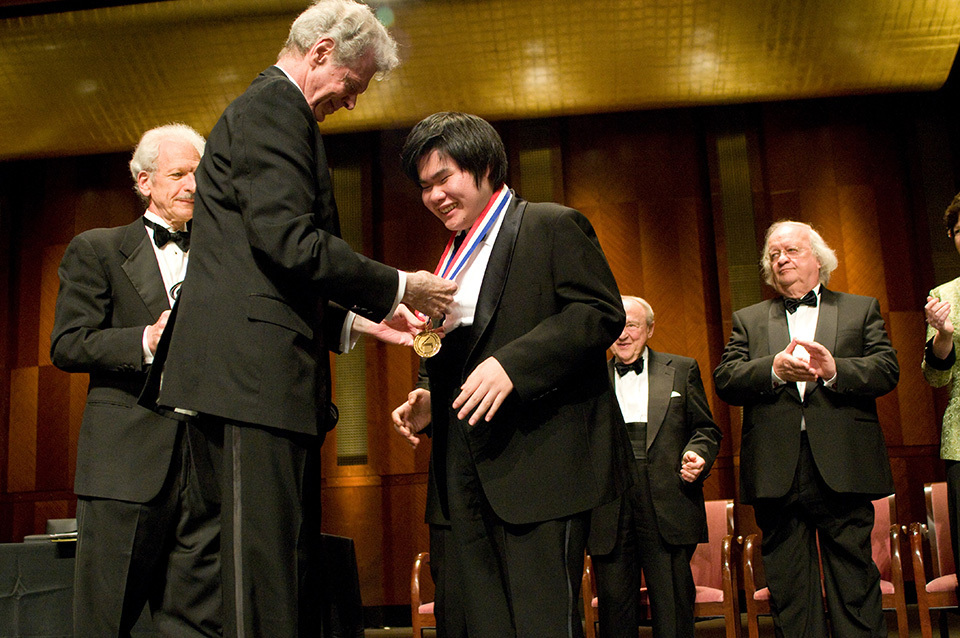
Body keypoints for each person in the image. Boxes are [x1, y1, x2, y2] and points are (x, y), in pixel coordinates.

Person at [140, 2, 456, 636]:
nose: (353, 103)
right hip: (251, 387)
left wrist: (369, 318)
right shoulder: (273, 110)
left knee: (274, 561)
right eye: (353, 84)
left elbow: (267, 269)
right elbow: (287, 240)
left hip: (254, 384)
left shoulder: (274, 113)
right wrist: (401, 281)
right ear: (320, 54)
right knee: (262, 568)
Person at [390, 111, 632, 638]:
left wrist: (513, 366)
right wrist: (429, 395)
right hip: (462, 472)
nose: (434, 196)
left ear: (486, 166)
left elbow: (599, 313)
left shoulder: (550, 224)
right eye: (424, 186)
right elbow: (461, 349)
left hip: (540, 463)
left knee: (543, 623)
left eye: (444, 178)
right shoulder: (449, 255)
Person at [50, 123, 218, 637]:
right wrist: (145, 340)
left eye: (199, 173)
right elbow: (68, 344)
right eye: (179, 174)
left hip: (206, 459)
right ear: (144, 182)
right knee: (106, 621)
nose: (193, 184)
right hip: (126, 466)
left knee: (198, 623)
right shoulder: (97, 249)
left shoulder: (222, 256)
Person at [713, 220, 898, 638]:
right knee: (790, 590)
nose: (780, 259)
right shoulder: (749, 319)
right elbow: (726, 379)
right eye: (773, 254)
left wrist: (836, 371)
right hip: (777, 468)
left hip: (843, 465)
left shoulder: (859, 308)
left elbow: (888, 370)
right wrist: (773, 369)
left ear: (818, 258)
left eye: (791, 250)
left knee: (854, 583)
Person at [588, 296, 722, 638]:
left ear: (649, 329)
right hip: (610, 504)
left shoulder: (682, 368)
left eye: (631, 325)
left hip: (668, 500)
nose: (623, 334)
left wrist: (699, 456)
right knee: (615, 611)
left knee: (673, 607)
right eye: (616, 326)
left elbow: (706, 430)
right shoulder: (588, 381)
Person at [922, 192, 960, 590]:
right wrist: (943, 335)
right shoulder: (943, 295)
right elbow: (935, 378)